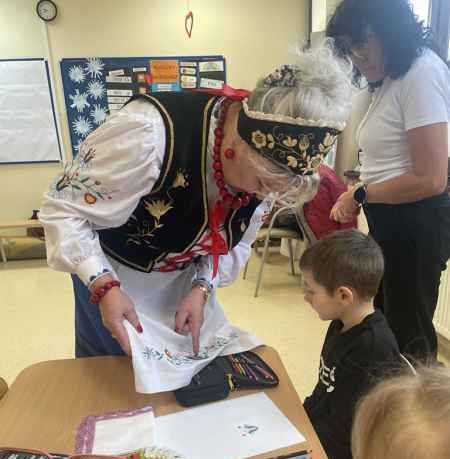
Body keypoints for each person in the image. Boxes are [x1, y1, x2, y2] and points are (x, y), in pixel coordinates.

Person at [40, 45, 352, 393]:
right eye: (263, 183)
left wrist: (202, 287)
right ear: (241, 144)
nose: (262, 197)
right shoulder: (148, 133)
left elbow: (234, 241)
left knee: (182, 382)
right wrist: (104, 286)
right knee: (110, 380)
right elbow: (64, 209)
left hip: (183, 280)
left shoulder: (265, 174)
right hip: (112, 271)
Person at [326, 0, 450, 362]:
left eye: (362, 42)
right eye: (349, 47)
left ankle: (420, 400)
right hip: (391, 218)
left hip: (415, 222)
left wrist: (360, 194)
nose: (356, 55)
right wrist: (362, 189)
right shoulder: (391, 78)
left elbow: (431, 178)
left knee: (409, 337)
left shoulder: (421, 72)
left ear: (388, 31)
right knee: (384, 326)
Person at [299, 229, 399, 459]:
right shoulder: (340, 322)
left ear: (344, 295)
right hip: (325, 441)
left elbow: (348, 430)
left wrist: (303, 443)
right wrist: (300, 417)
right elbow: (325, 390)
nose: (305, 297)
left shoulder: (372, 348)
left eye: (311, 291)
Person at [273, 163, 357, 242]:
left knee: (277, 216)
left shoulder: (312, 174)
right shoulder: (323, 171)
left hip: (324, 230)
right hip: (330, 229)